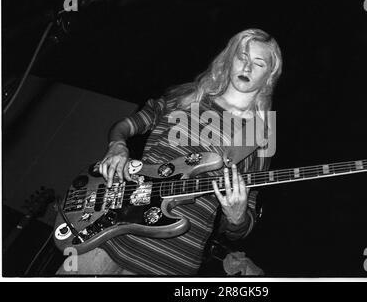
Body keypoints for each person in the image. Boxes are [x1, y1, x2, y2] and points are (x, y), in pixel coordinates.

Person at [57, 28, 282, 275]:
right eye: (242, 56)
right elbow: (125, 126)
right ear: (230, 58)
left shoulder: (258, 137)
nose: (247, 67)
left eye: (258, 63)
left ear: (269, 76)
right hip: (106, 235)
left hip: (169, 262)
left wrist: (237, 218)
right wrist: (117, 146)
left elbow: (245, 219)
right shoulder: (184, 97)